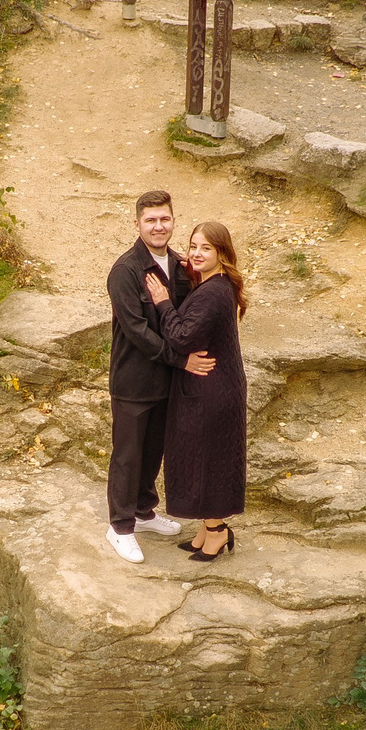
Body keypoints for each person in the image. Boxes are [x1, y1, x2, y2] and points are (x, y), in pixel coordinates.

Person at [102, 190, 208, 563]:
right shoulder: (125, 271)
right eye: (151, 220)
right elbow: (138, 333)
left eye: (164, 219)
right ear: (137, 224)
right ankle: (120, 527)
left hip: (167, 384)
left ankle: (144, 512)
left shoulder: (180, 265)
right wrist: (182, 362)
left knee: (153, 453)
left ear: (173, 221)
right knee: (128, 456)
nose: (158, 226)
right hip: (133, 382)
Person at [152, 219, 247, 562]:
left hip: (213, 393)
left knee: (210, 461)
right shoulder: (211, 284)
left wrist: (163, 302)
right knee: (202, 458)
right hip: (212, 388)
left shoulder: (215, 292)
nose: (196, 253)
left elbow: (180, 337)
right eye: (193, 246)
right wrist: (188, 266)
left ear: (223, 254)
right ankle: (208, 529)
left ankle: (218, 531)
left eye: (206, 248)